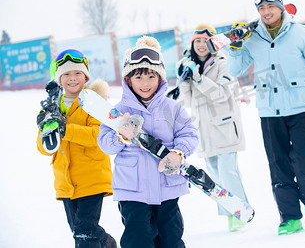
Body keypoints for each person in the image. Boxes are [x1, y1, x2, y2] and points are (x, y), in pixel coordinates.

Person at [226, 0, 305, 235]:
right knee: (279, 166)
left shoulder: (299, 33)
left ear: (281, 7)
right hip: (269, 111)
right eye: (261, 9)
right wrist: (234, 46)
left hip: (300, 108)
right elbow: (235, 69)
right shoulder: (251, 37)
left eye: (270, 7)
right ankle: (290, 217)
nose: (266, 12)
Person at [97, 36, 198, 248]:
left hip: (167, 189)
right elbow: (105, 144)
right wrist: (121, 136)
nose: (145, 83)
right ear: (128, 80)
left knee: (170, 239)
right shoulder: (118, 112)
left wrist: (178, 153)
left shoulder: (172, 108)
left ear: (160, 78)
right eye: (139, 77)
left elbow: (189, 134)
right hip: (133, 191)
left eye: (151, 76)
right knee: (138, 239)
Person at [36, 49, 116, 247]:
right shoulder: (51, 107)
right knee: (80, 232)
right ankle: (107, 243)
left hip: (92, 177)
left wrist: (65, 128)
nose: (73, 78)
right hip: (66, 183)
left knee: (84, 233)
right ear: (59, 79)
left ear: (86, 76)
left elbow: (97, 136)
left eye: (78, 73)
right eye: (67, 74)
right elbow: (44, 148)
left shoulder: (95, 102)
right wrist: (45, 128)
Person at [176, 24, 249, 232]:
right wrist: (184, 78)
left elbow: (220, 95)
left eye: (204, 40)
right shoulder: (189, 64)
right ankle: (230, 213)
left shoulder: (222, 62)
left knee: (228, 172)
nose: (200, 45)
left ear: (212, 42)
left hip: (224, 127)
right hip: (204, 130)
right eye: (196, 41)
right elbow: (188, 101)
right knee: (215, 177)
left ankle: (240, 212)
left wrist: (198, 77)